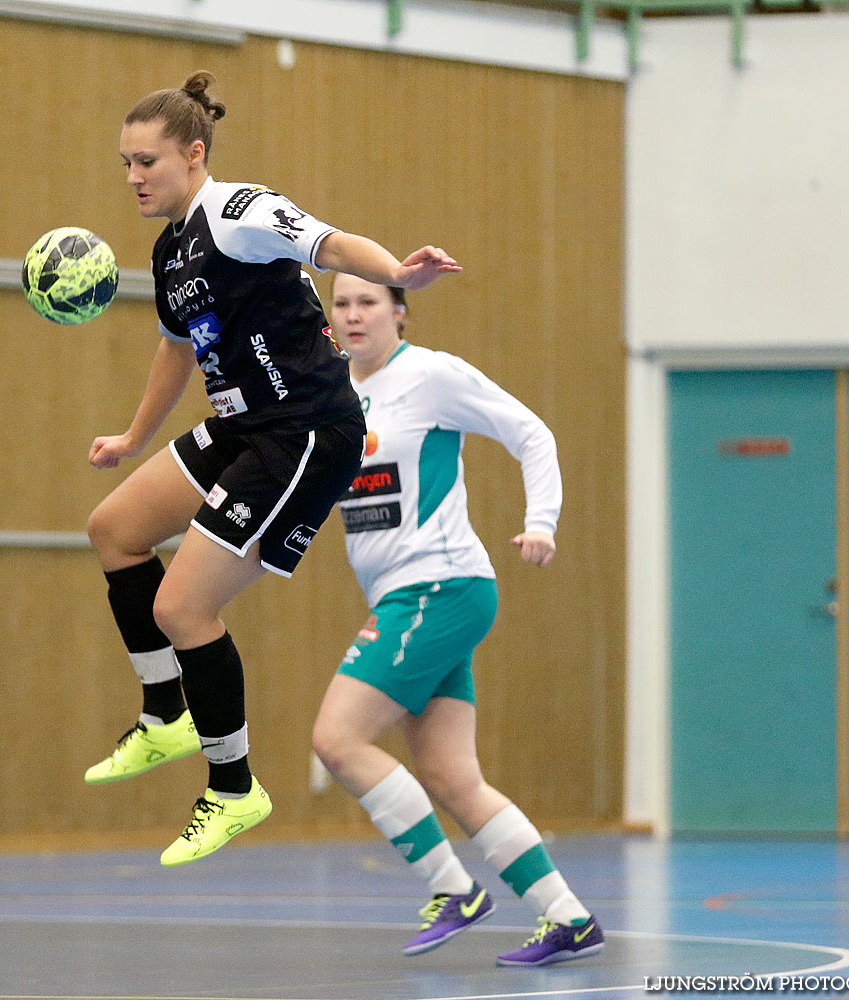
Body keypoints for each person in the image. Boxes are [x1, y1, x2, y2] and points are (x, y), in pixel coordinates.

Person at [83, 71, 462, 867]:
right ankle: (165, 716)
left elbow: (330, 245)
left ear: (193, 154)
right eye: (124, 163)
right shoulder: (171, 248)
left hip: (305, 435)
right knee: (114, 529)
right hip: (240, 424)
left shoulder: (238, 212)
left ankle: (232, 789)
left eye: (146, 161)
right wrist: (133, 435)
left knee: (183, 609)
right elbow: (178, 348)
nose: (133, 178)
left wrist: (399, 271)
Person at [312, 273, 605, 966]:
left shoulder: (432, 377)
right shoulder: (334, 395)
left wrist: (542, 524)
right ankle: (568, 917)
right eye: (343, 303)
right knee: (451, 779)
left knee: (337, 738)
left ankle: (453, 889)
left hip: (438, 587)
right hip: (407, 596)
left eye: (369, 303)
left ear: (400, 315)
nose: (354, 316)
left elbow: (532, 433)